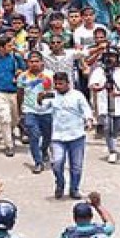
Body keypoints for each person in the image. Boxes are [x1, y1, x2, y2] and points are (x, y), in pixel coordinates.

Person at [40, 72, 94, 200]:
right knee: (57, 163)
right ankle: (60, 183)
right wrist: (40, 99)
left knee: (76, 166)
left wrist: (89, 120)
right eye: (56, 84)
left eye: (61, 84)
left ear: (67, 83)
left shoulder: (77, 95)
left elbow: (86, 109)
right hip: (58, 136)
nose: (58, 86)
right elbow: (42, 107)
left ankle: (74, 189)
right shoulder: (52, 95)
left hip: (76, 136)